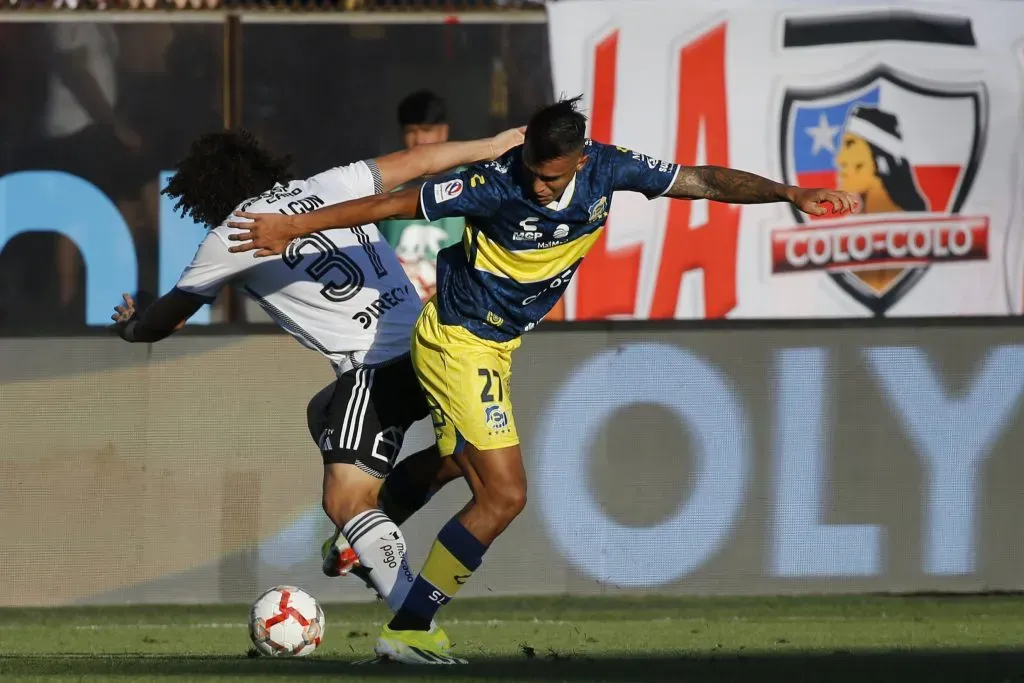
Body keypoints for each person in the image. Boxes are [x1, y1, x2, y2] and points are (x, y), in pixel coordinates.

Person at [223, 96, 860, 665]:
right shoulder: (492, 183)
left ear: (580, 160)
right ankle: (411, 627)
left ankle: (360, 536)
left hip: (496, 346)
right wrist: (294, 227)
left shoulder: (609, 169)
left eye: (549, 173)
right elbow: (392, 202)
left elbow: (702, 180)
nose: (536, 180)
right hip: (456, 341)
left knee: (454, 461)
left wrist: (789, 193)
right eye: (530, 165)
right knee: (503, 496)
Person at [109, 126, 524, 657]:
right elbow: (420, 162)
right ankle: (365, 537)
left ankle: (414, 627)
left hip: (376, 368)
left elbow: (164, 316)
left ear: (205, 195)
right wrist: (491, 146)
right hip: (436, 348)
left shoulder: (233, 233)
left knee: (345, 499)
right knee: (370, 429)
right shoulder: (330, 186)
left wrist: (134, 328)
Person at [378, 90, 467, 303]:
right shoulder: (385, 185)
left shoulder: (468, 184)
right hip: (394, 303)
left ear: (443, 132)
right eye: (411, 131)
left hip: (451, 306)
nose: (419, 140)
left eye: (426, 130)